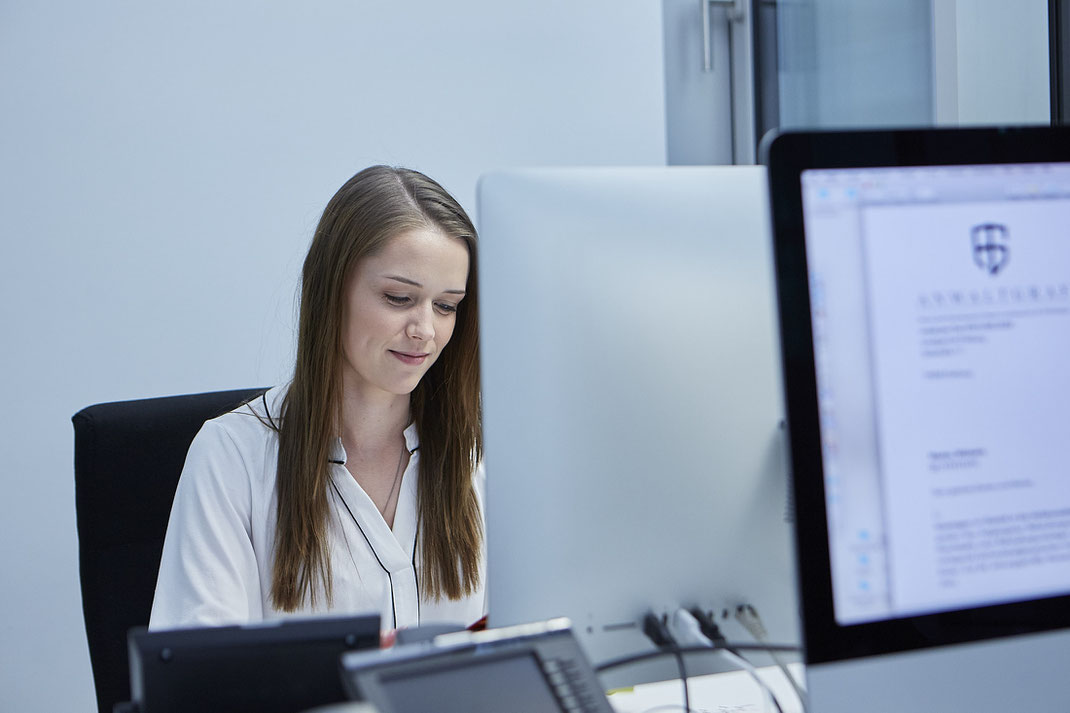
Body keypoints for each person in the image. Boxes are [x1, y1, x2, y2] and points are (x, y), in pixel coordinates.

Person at [150, 166, 485, 631]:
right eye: (397, 298)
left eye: (446, 306)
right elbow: (201, 681)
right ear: (332, 290)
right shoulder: (231, 458)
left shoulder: (478, 460)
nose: (425, 330)